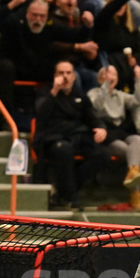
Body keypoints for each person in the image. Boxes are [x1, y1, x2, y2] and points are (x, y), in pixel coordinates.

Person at [32, 60, 111, 210]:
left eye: (68, 73)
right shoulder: (45, 92)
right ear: (55, 76)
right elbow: (40, 117)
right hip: (53, 138)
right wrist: (54, 91)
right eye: (61, 73)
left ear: (74, 76)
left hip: (77, 136)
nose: (65, 77)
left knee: (104, 154)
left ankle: (65, 189)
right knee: (64, 149)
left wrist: (101, 128)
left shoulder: (80, 95)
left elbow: (92, 118)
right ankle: (71, 198)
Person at [87, 63, 140, 210]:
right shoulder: (94, 93)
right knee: (127, 150)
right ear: (101, 78)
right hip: (104, 131)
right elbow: (98, 106)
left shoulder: (120, 95)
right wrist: (105, 87)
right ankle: (136, 194)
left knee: (137, 139)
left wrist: (138, 79)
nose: (111, 77)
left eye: (114, 75)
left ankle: (133, 173)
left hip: (119, 130)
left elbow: (139, 101)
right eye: (108, 75)